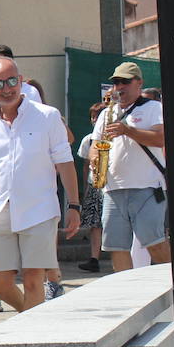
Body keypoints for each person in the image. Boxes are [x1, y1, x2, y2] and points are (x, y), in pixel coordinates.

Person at [0, 58, 79, 312]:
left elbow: (65, 162)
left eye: (11, 81)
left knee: (33, 279)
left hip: (40, 209)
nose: (6, 89)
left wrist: (74, 205)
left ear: (21, 81)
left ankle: (31, 332)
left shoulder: (48, 116)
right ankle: (31, 319)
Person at [91, 62, 170, 271]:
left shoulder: (153, 108)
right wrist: (95, 159)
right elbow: (95, 145)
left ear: (139, 83)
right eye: (116, 82)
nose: (119, 87)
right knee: (116, 247)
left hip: (147, 187)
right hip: (113, 189)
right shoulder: (106, 114)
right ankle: (127, 288)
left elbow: (161, 139)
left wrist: (128, 131)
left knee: (155, 244)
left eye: (125, 81)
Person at [76, 101, 107, 272]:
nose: (95, 120)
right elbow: (86, 165)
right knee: (95, 223)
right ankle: (94, 258)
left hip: (114, 185)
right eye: (93, 117)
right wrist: (85, 188)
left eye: (98, 116)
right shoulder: (88, 140)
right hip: (95, 184)